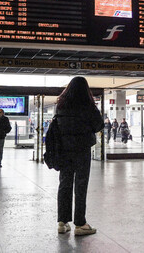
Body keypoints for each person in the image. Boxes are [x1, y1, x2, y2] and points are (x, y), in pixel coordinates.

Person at [55, 77, 104, 236]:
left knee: (64, 183)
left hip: (64, 149)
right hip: (82, 149)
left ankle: (62, 223)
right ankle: (80, 224)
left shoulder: (61, 105)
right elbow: (99, 125)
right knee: (81, 185)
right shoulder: (87, 105)